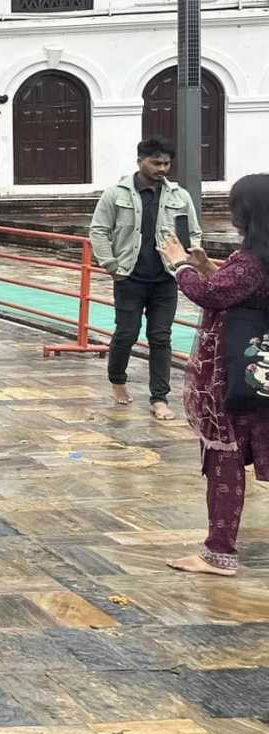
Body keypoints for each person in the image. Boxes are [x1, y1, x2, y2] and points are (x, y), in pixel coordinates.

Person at [159, 174, 269, 577]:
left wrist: (181, 265)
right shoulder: (254, 260)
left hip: (238, 375)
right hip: (262, 371)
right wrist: (210, 267)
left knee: (226, 457)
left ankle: (218, 552)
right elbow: (236, 287)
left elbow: (213, 295)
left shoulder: (252, 261)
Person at [90, 136, 200, 420]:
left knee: (161, 337)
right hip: (129, 276)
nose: (162, 168)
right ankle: (117, 380)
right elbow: (99, 231)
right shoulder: (116, 194)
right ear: (141, 160)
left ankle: (159, 398)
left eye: (166, 163)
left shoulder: (180, 196)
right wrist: (110, 264)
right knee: (126, 333)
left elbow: (194, 233)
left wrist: (187, 259)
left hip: (165, 277)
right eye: (156, 162)